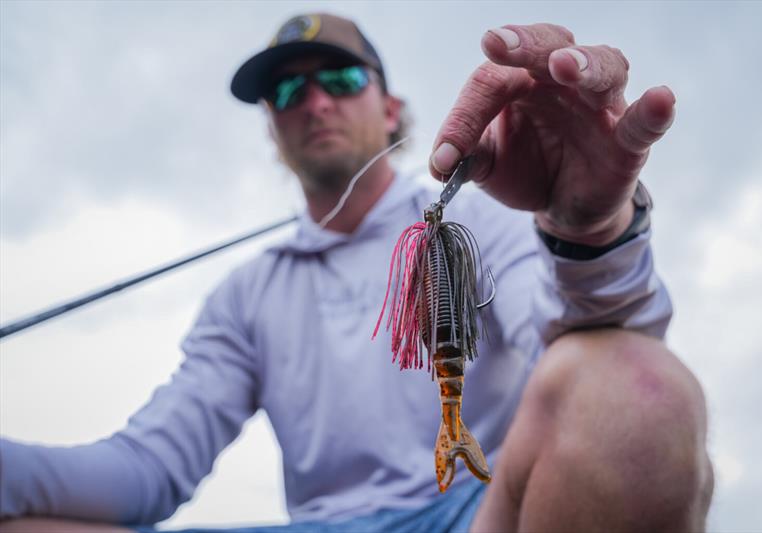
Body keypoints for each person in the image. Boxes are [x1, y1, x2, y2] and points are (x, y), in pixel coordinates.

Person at [0, 13, 713, 533]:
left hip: (481, 508)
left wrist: (586, 227)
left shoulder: (485, 216)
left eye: (340, 78)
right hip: (321, 526)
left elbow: (593, 352)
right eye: (286, 93)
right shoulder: (244, 297)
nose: (314, 102)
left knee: (638, 392)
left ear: (391, 107)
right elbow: (147, 474)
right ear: (272, 129)